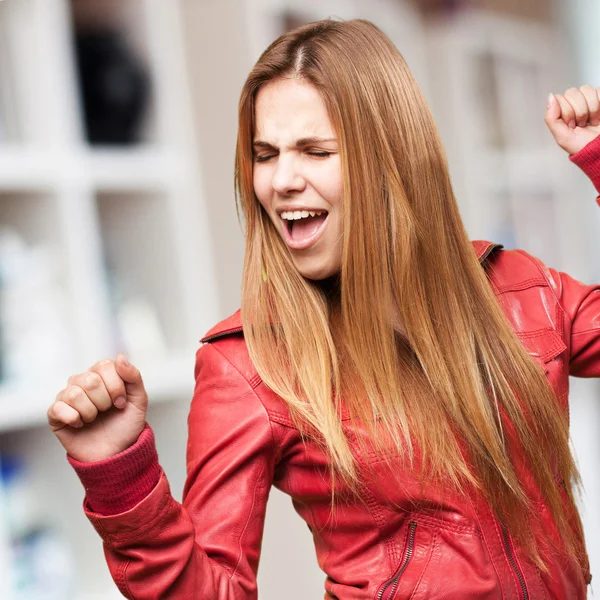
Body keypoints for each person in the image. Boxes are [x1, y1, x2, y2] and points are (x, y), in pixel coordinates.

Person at [47, 18, 600, 600]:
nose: (281, 180)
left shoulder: (521, 290)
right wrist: (122, 478)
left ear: (393, 158)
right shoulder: (251, 365)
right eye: (265, 154)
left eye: (315, 151)